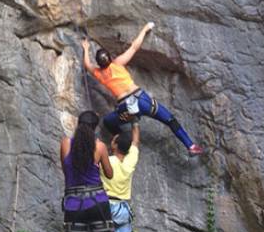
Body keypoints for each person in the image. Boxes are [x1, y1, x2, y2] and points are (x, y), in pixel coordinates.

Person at [81, 22, 203, 156]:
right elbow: (134, 47)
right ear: (110, 58)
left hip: (126, 108)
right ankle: (190, 146)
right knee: (169, 119)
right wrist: (145, 28)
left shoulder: (99, 74)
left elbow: (87, 65)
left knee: (108, 122)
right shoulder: (118, 64)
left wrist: (86, 48)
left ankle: (123, 142)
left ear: (99, 64)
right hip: (142, 100)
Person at [60, 110, 113, 232]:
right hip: (98, 201)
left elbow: (66, 172)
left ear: (78, 125)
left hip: (74, 203)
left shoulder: (66, 144)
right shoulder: (100, 147)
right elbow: (110, 174)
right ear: (95, 128)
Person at [100, 125, 142, 232]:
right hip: (122, 207)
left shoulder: (107, 161)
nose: (112, 141)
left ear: (115, 146)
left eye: (113, 140)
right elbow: (136, 142)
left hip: (105, 204)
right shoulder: (130, 162)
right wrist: (135, 122)